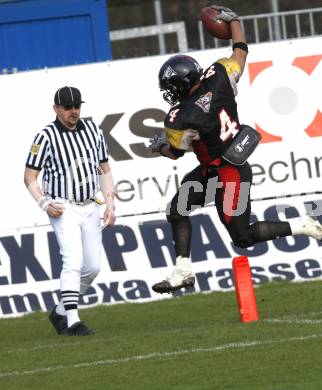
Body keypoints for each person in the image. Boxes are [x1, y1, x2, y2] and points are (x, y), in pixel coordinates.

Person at [149, 5, 322, 294]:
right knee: (177, 209)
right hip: (215, 168)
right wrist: (235, 21)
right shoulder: (218, 74)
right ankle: (183, 271)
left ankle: (305, 225)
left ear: (180, 86)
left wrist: (159, 147)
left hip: (229, 174)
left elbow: (176, 152)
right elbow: (240, 50)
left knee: (242, 236)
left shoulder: (183, 116)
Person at [24, 86, 116, 335]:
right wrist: (44, 203)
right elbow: (30, 176)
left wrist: (110, 204)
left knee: (93, 267)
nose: (73, 112)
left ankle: (61, 311)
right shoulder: (46, 136)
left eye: (77, 106)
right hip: (63, 206)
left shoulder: (93, 131)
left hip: (89, 205)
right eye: (68, 107)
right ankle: (73, 321)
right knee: (72, 259)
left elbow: (105, 169)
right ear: (56, 109)